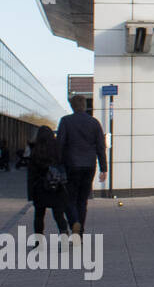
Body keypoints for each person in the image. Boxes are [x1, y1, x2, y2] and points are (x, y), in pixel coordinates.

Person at [56, 95, 107, 235]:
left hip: (71, 165)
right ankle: (79, 233)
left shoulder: (66, 121)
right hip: (89, 166)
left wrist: (58, 165)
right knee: (82, 201)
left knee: (69, 199)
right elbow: (100, 146)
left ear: (72, 106)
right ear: (85, 105)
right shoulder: (94, 122)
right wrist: (104, 168)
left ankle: (74, 223)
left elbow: (59, 144)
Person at [26, 126, 70, 235]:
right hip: (56, 187)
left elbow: (31, 175)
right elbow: (63, 168)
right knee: (59, 215)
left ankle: (39, 242)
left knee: (39, 216)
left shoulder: (35, 152)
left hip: (40, 188)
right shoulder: (57, 150)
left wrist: (31, 194)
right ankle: (64, 238)